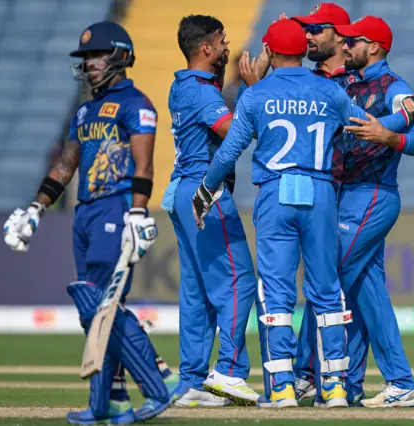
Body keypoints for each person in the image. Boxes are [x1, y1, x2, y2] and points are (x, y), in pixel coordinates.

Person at [192, 18, 414, 409]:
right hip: (323, 193)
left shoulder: (258, 94)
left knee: (276, 293)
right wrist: (412, 112)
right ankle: (337, 388)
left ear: (273, 53)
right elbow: (361, 126)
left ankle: (282, 388)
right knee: (329, 290)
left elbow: (231, 150)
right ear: (300, 50)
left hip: (281, 193)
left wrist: (206, 188)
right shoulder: (330, 90)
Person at [3, 21, 171, 424]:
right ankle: (111, 402)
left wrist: (137, 211)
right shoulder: (84, 110)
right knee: (92, 310)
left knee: (102, 306)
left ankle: (160, 383)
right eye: (86, 58)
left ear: (119, 56)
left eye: (96, 55)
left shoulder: (137, 104)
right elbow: (66, 164)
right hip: (85, 211)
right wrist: (35, 209)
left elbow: (145, 164)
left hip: (116, 208)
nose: (90, 64)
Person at [288, 4, 414, 407]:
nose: (346, 42)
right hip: (346, 194)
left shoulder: (394, 87)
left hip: (373, 193)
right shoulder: (352, 82)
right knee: (364, 287)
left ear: (374, 47)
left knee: (328, 278)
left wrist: (390, 133)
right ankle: (387, 383)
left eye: (355, 39)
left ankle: (306, 374)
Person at [161, 14, 259, 408]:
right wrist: (257, 95)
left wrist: (263, 68)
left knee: (198, 292)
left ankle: (193, 381)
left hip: (182, 191)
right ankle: (231, 372)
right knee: (239, 283)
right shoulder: (204, 94)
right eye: (221, 41)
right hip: (207, 191)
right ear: (205, 48)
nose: (226, 46)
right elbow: (232, 133)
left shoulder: (183, 85)